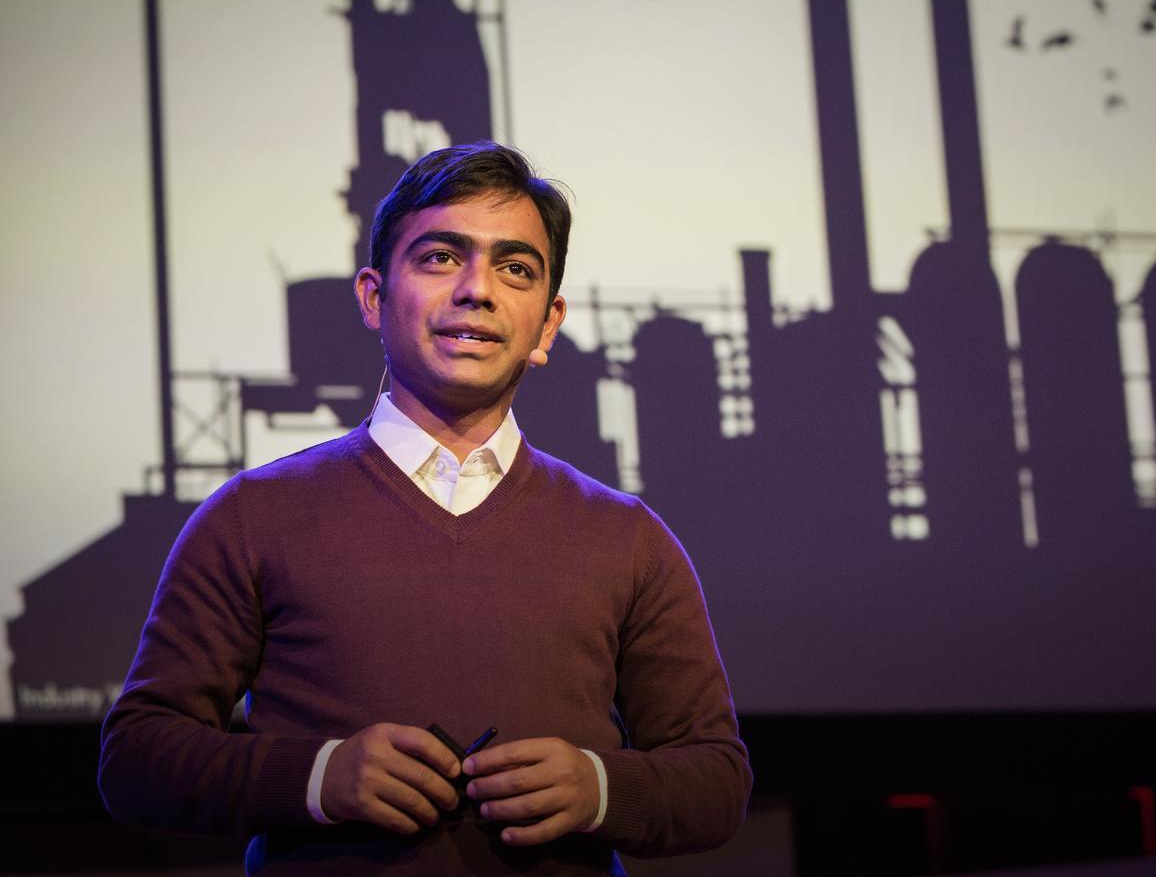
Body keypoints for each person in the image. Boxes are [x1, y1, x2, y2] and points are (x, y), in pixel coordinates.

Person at [98, 142, 752, 875]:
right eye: (442, 257)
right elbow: (138, 758)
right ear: (374, 297)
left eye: (516, 268)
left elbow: (716, 781)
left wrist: (598, 788)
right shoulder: (252, 517)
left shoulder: (626, 539)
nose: (478, 289)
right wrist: (319, 779)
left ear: (546, 325)